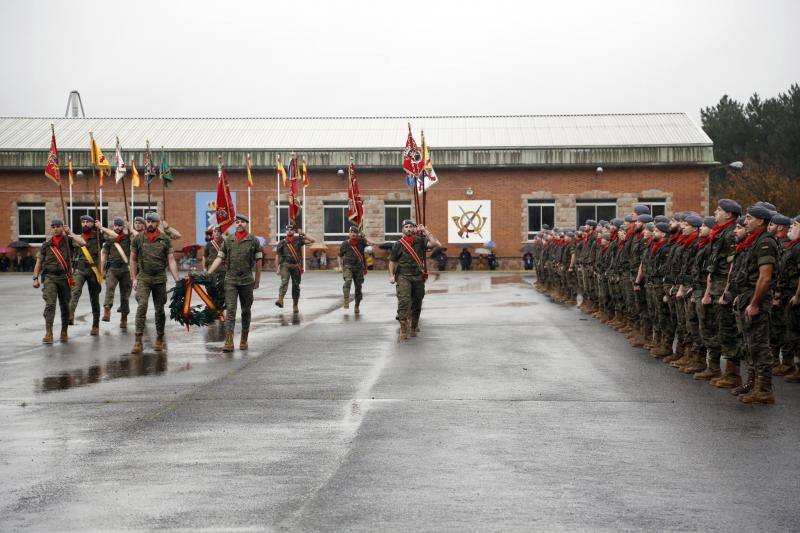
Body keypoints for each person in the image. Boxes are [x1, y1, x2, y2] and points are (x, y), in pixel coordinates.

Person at [735, 205, 780, 404]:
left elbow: (765, 278)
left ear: (760, 221)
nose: (745, 221)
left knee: (760, 346)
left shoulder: (765, 243)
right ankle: (752, 383)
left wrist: (754, 303)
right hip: (748, 297)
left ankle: (764, 389)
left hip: (758, 301)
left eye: (749, 218)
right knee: (750, 345)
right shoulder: (753, 242)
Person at [207, 214, 262, 352]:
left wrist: (257, 280)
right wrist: (209, 273)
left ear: (246, 224)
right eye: (237, 222)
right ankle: (229, 341)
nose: (239, 224)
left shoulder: (253, 241)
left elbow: (259, 262)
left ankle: (244, 339)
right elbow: (219, 258)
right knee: (230, 310)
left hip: (247, 281)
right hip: (230, 280)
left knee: (245, 310)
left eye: (242, 222)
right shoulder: (228, 240)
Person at [129, 212, 180, 354]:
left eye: (152, 222)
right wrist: (134, 278)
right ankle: (138, 340)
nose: (149, 224)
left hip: (159, 279)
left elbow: (171, 260)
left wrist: (178, 281)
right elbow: (132, 259)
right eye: (148, 221)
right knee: (142, 306)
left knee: (159, 309)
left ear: (158, 223)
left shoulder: (165, 239)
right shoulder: (138, 238)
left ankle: (159, 337)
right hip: (144, 278)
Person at [32, 219, 86, 343]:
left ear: (62, 227)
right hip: (50, 277)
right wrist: (35, 278)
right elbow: (39, 262)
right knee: (50, 305)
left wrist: (70, 232)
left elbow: (83, 243)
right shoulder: (46, 244)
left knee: (65, 306)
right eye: (53, 227)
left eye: (58, 226)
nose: (55, 228)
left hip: (65, 278)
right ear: (51, 229)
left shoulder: (69, 241)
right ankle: (49, 333)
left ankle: (64, 331)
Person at [388, 220, 441, 340]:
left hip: (418, 276)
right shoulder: (398, 244)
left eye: (411, 227)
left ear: (414, 229)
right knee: (404, 301)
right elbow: (392, 261)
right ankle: (403, 327)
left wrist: (426, 232)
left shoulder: (421, 241)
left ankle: (413, 325)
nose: (409, 229)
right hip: (403, 276)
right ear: (403, 230)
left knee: (417, 302)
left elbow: (435, 244)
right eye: (406, 227)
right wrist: (391, 275)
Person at [69, 214, 105, 336]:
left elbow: (115, 236)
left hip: (93, 271)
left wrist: (101, 227)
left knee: (94, 299)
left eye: (87, 222)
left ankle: (95, 325)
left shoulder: (99, 236)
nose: (85, 224)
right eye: (83, 222)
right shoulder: (75, 238)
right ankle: (70, 313)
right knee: (75, 292)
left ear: (92, 224)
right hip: (80, 269)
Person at [99, 218, 132, 329]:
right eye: (116, 226)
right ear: (113, 227)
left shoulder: (127, 238)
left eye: (119, 226)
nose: (117, 228)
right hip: (112, 269)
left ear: (123, 227)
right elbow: (104, 255)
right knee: (110, 288)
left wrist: (130, 229)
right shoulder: (109, 241)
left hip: (126, 270)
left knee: (125, 295)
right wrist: (102, 269)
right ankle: (107, 310)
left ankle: (124, 318)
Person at [275, 224, 315, 313]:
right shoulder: (282, 243)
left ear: (294, 231)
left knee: (296, 286)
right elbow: (277, 256)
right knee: (284, 282)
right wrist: (277, 268)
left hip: (296, 266)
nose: (289, 231)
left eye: (291, 229)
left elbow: (313, 241)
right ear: (285, 231)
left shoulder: (298, 240)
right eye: (287, 229)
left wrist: (304, 234)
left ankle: (295, 304)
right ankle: (280, 299)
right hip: (285, 265)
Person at [338, 226, 372, 313]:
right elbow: (340, 256)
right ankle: (346, 300)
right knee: (348, 281)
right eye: (351, 232)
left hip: (358, 268)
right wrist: (340, 266)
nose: (353, 234)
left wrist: (364, 236)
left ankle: (357, 305)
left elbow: (372, 244)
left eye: (355, 232)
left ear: (357, 234)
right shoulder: (345, 243)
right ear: (349, 234)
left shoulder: (361, 241)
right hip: (348, 267)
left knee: (358, 288)